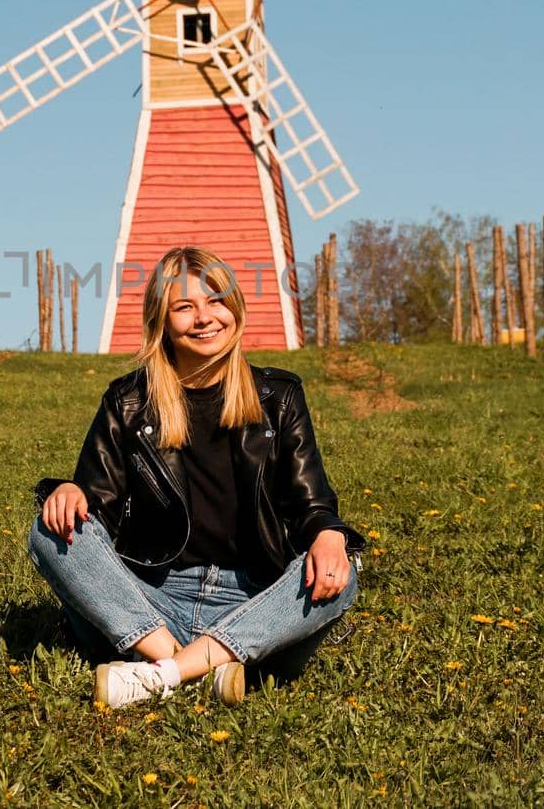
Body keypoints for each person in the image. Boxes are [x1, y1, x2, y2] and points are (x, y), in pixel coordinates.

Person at [27, 245, 364, 710]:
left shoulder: (280, 397)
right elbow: (94, 504)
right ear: (162, 321)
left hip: (253, 599)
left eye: (216, 300)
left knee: (343, 574)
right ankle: (199, 667)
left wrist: (328, 535)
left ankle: (160, 675)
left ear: (235, 308)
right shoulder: (128, 402)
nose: (205, 317)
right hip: (153, 600)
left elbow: (311, 505)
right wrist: (68, 491)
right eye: (184, 307)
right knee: (49, 531)